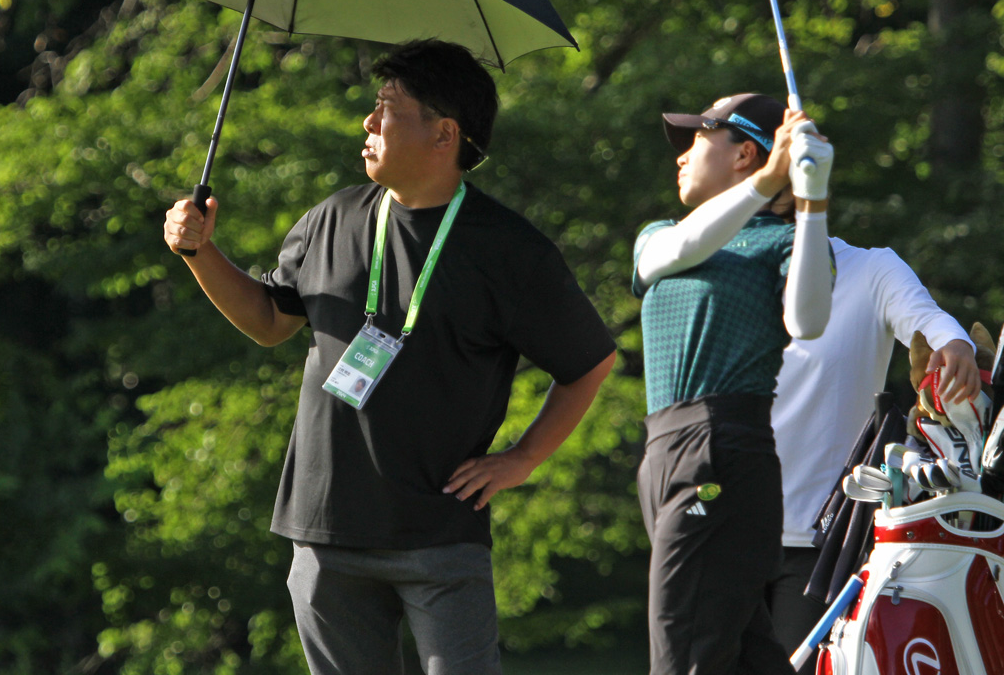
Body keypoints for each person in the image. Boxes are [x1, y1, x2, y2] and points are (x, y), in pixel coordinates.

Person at [163, 39, 617, 675]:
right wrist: (200, 253)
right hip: (324, 529)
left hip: (439, 536)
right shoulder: (332, 217)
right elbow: (269, 321)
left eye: (388, 108)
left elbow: (588, 363)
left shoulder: (511, 250)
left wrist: (523, 459)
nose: (369, 124)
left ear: (444, 133)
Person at [632, 93, 835, 675]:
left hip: (722, 448)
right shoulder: (662, 234)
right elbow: (671, 255)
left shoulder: (785, 241)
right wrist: (767, 183)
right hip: (662, 454)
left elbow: (808, 321)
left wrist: (813, 203)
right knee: (745, 652)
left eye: (698, 138)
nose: (680, 156)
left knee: (685, 649)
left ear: (746, 151)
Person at [765, 241, 979, 672]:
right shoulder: (722, 262)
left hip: (824, 547)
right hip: (728, 531)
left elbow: (930, 323)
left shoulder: (870, 268)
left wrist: (956, 343)